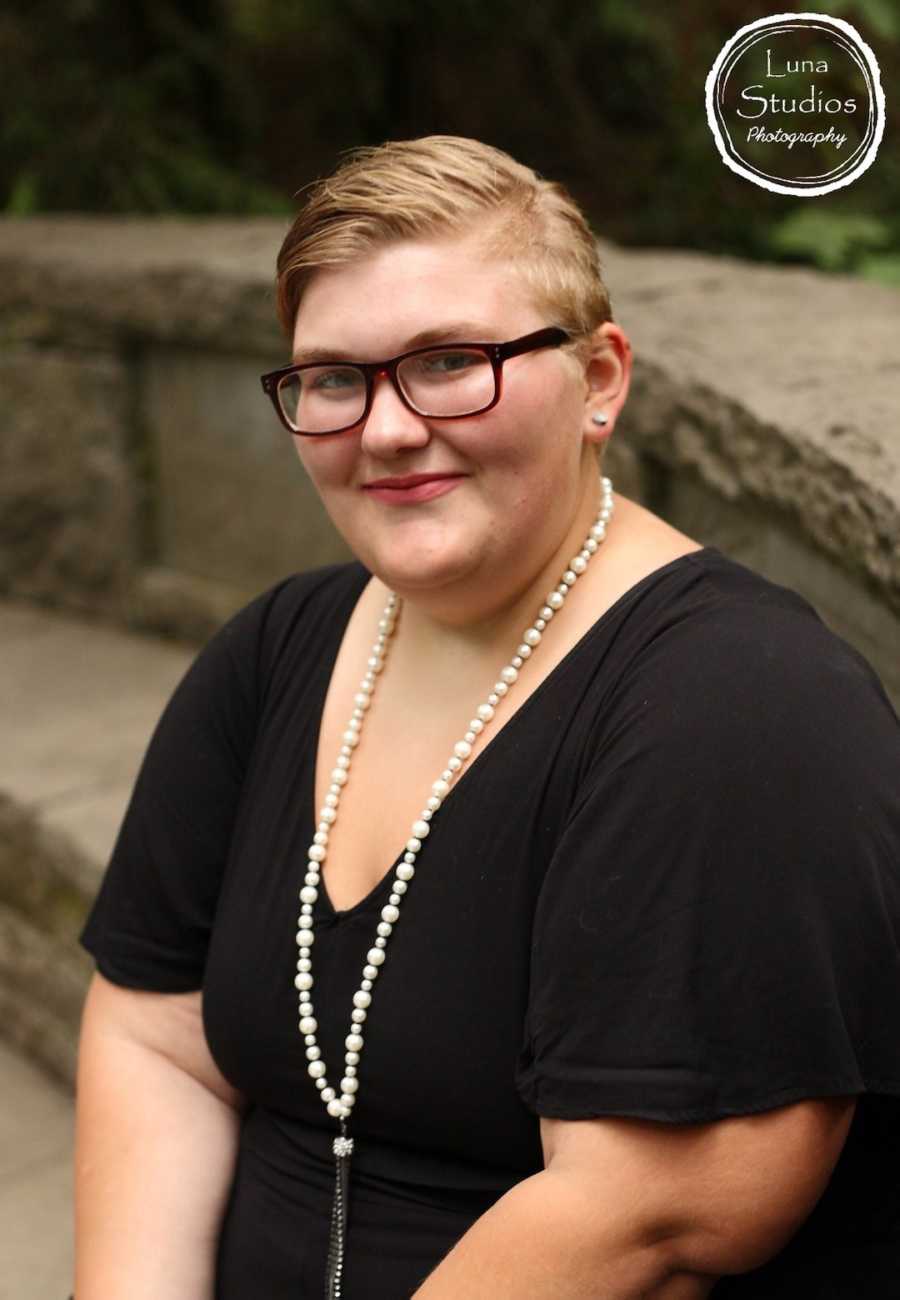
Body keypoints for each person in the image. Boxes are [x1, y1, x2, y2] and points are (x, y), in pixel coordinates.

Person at [74, 135, 900, 1300]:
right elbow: (158, 1037)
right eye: (333, 377)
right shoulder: (275, 654)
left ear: (602, 379)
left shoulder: (742, 708)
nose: (388, 427)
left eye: (452, 360)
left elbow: (650, 1220)